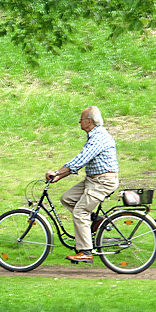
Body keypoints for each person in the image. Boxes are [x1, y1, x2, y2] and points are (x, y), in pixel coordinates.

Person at [45, 106, 119, 264]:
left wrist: (58, 172)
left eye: (81, 118)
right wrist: (59, 176)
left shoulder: (99, 137)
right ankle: (96, 220)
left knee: (80, 212)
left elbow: (81, 159)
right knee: (67, 198)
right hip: (92, 180)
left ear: (89, 121)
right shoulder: (93, 136)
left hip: (103, 181)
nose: (79, 121)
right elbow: (80, 163)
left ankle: (86, 251)